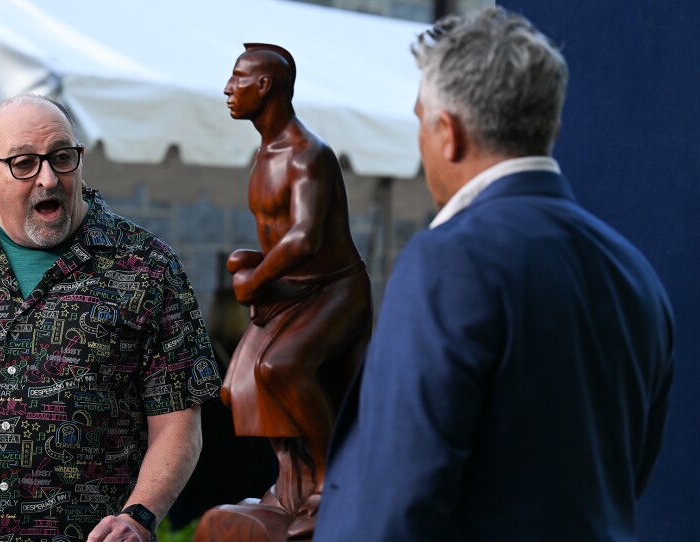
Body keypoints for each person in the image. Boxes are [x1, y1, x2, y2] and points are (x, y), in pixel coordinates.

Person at [316, 8, 674, 542]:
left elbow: (395, 501)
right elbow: (625, 476)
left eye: (420, 120)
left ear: (448, 133)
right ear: (550, 126)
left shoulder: (446, 261)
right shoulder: (634, 271)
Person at [0, 95, 221, 542]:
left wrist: (139, 516)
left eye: (62, 157)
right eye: (24, 163)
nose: (48, 178)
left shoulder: (147, 268)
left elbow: (178, 419)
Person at [219, 43, 372, 537]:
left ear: (265, 87)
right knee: (236, 387)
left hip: (334, 288)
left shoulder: (309, 155)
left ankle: (333, 481)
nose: (227, 88)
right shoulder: (264, 152)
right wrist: (253, 265)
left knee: (281, 366)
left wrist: (255, 280)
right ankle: (291, 485)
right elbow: (279, 235)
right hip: (289, 287)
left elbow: (305, 237)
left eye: (238, 78)